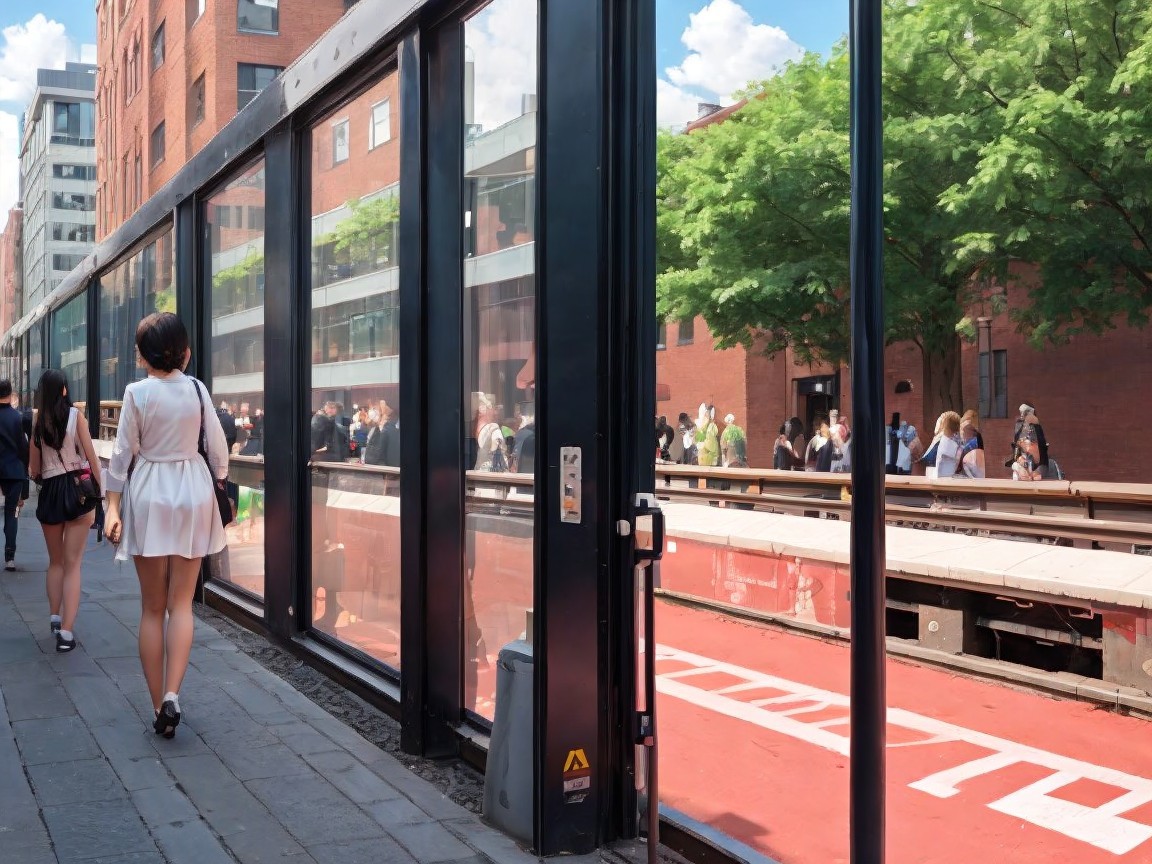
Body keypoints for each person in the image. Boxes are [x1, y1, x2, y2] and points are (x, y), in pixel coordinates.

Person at [103, 312, 229, 738]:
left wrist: (112, 508)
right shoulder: (196, 389)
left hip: (151, 492)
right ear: (184, 352)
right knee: (182, 604)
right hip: (192, 491)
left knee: (152, 608)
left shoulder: (136, 393)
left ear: (142, 355)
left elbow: (121, 456)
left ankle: (158, 704)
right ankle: (174, 692)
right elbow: (218, 452)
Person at [29, 370, 102, 653]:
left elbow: (33, 468)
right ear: (63, 391)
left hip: (50, 492)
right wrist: (100, 495)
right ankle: (67, 633)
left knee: (55, 562)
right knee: (73, 565)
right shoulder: (76, 417)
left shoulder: (37, 422)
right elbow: (92, 458)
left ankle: (54, 617)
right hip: (76, 492)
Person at [0, 380, 29, 570]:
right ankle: (10, 557)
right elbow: (23, 449)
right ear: (11, 394)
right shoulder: (17, 418)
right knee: (11, 514)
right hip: (14, 471)